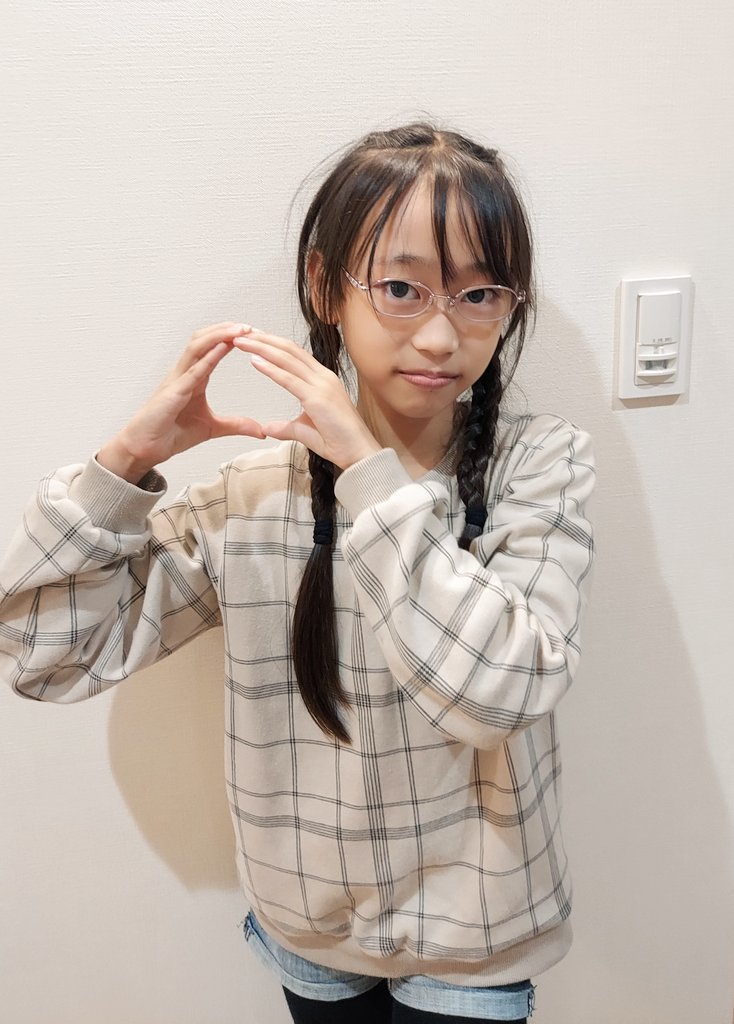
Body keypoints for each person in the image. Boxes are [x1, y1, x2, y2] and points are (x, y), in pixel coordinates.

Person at [0, 122, 595, 1023]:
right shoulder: (254, 495)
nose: (442, 334)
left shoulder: (540, 465)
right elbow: (45, 655)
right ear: (326, 288)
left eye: (479, 294)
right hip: (308, 934)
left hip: (480, 932)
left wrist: (371, 478)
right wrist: (124, 463)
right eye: (402, 288)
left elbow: (499, 695)